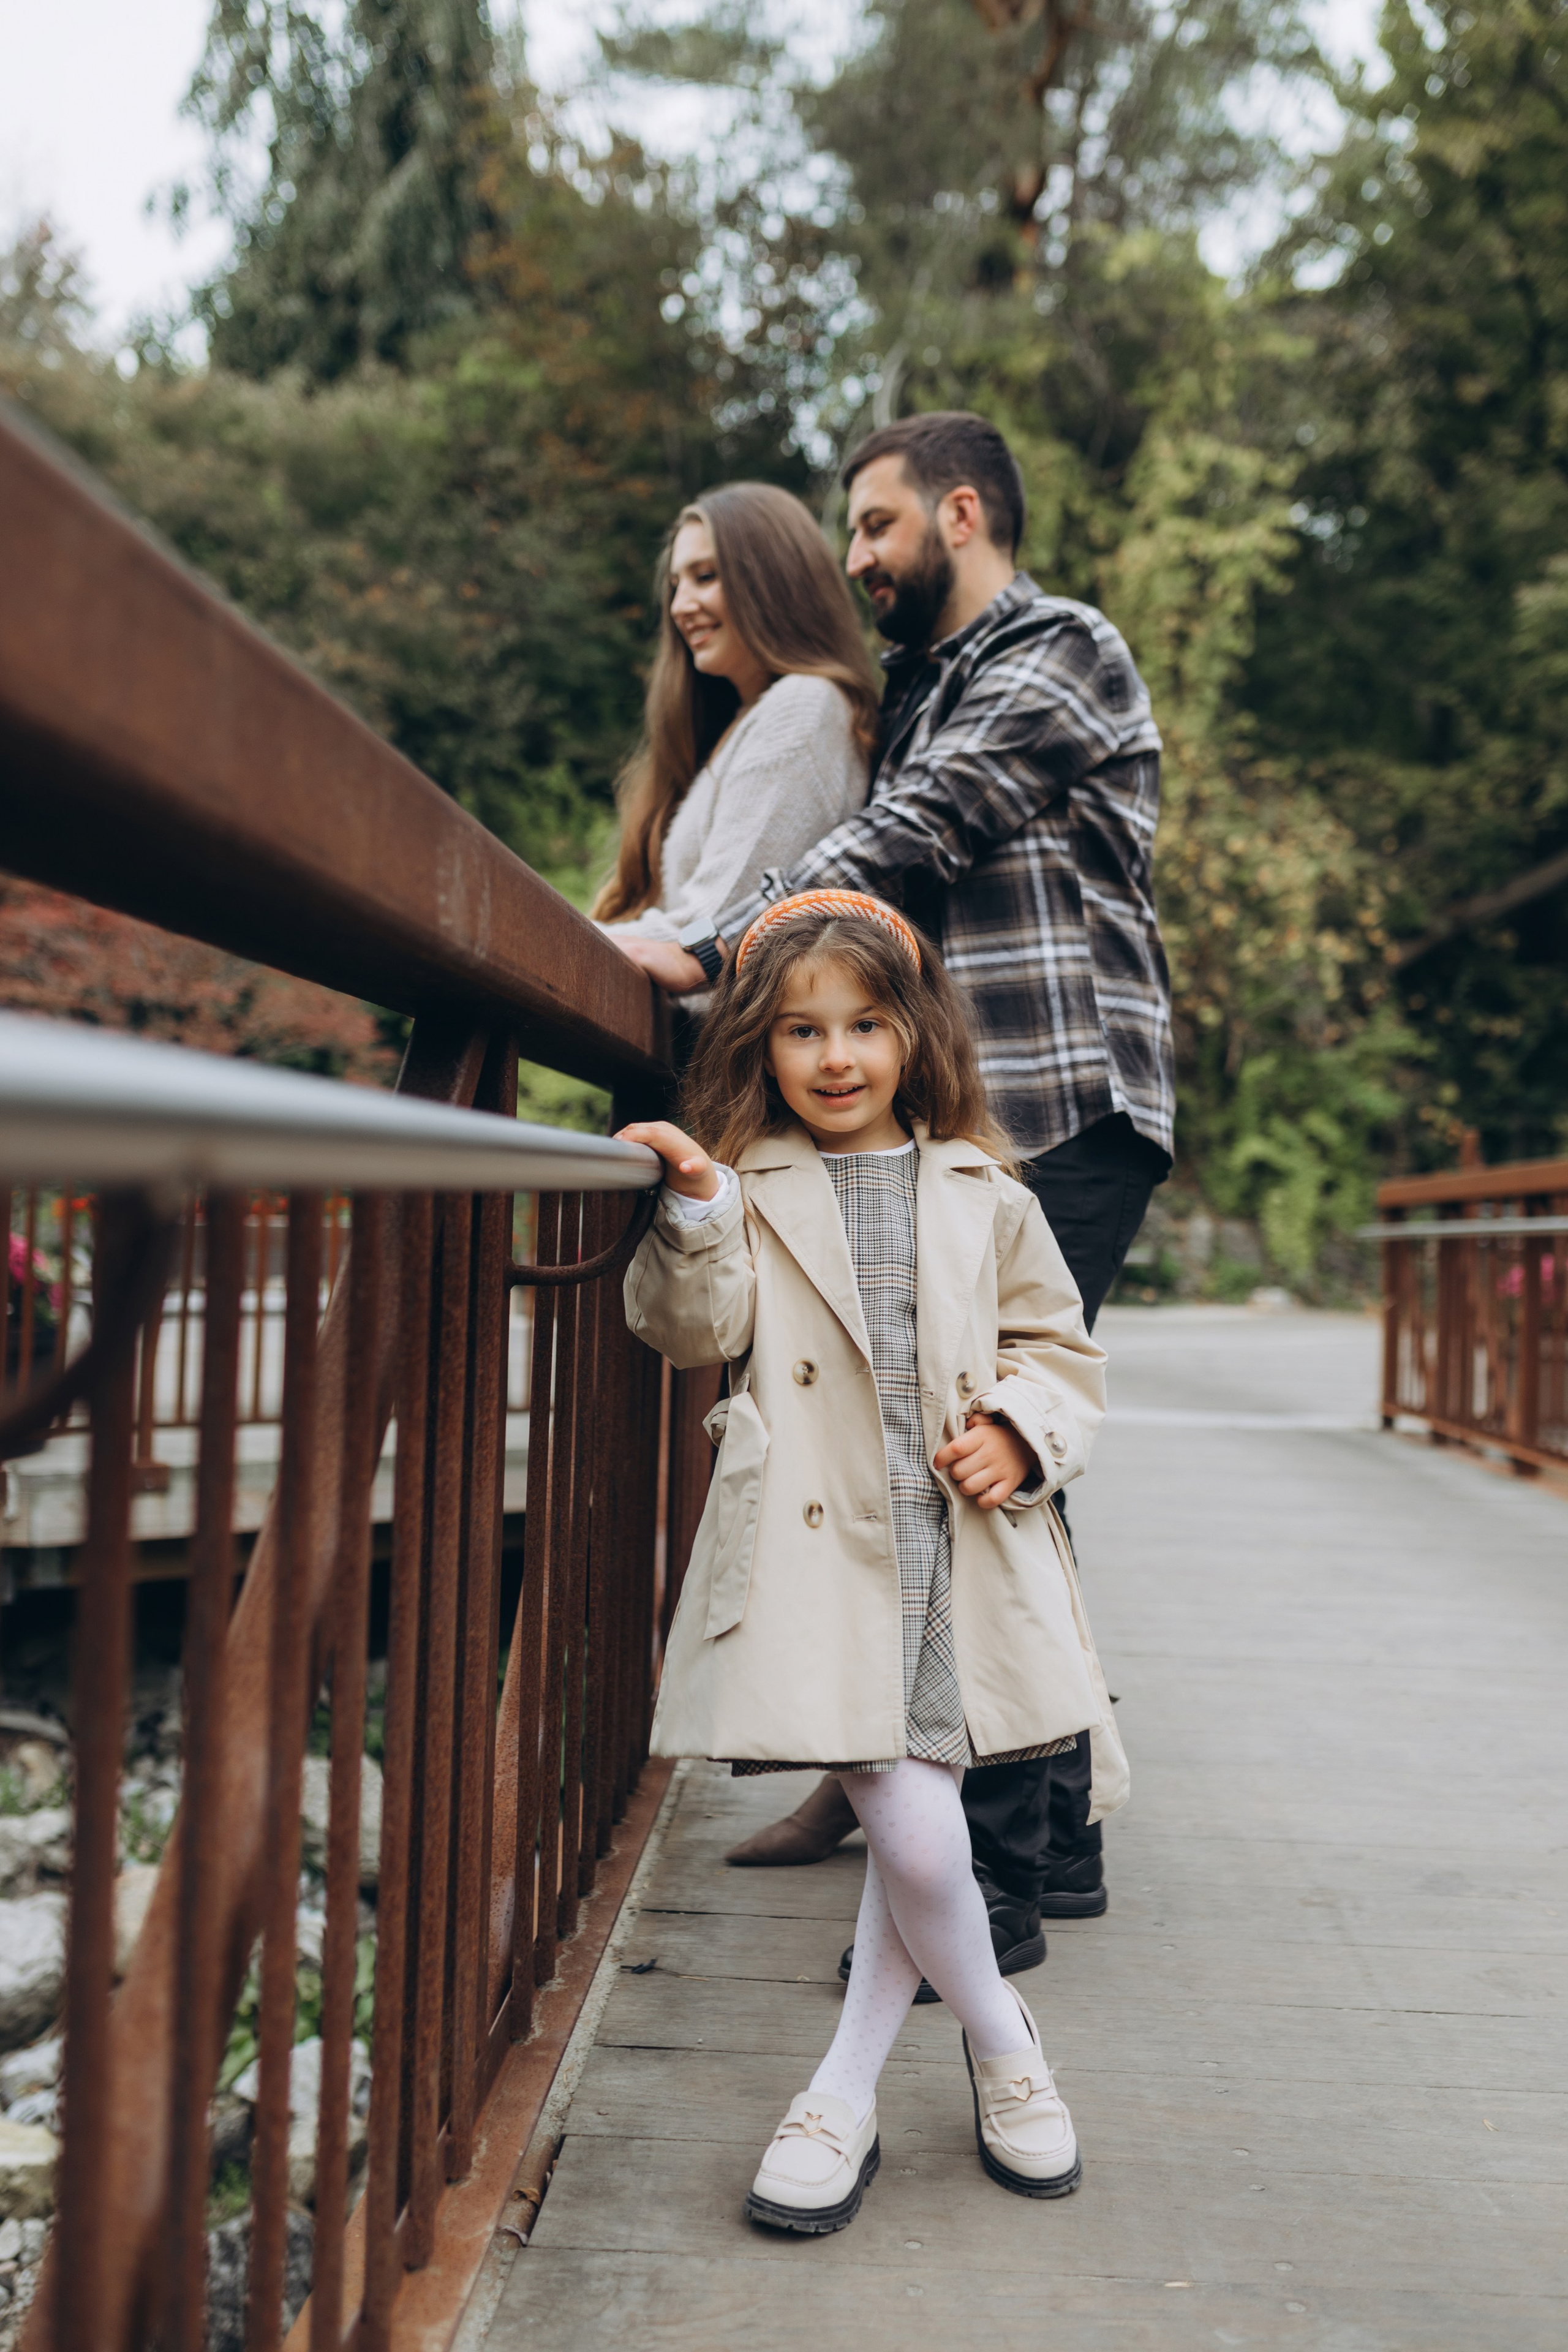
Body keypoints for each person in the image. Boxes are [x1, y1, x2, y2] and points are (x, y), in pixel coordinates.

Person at [620, 413, 1174, 1942]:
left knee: (980, 1443)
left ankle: (992, 1884)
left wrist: (720, 946)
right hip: (961, 1112)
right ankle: (1043, 1834)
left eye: (873, 524)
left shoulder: (1058, 649)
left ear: (960, 512)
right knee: (980, 1454)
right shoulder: (922, 686)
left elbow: (920, 830)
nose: (854, 555)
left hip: (1056, 1104)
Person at [617, 891, 1125, 2231]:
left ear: (914, 1035)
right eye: (801, 1030)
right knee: (909, 1819)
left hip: (955, 1535)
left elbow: (1059, 1351)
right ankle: (1004, 2044)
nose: (835, 1056)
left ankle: (842, 2095)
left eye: (863, 1025)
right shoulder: (747, 1184)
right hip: (817, 1548)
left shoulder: (983, 1188)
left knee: (917, 1823)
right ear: (759, 1045)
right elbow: (688, 1331)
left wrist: (1020, 1430)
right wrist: (694, 1207)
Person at [595, 483, 878, 1002]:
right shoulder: (742, 720)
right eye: (676, 585)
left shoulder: (804, 707)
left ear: (775, 580)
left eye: (705, 577)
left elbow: (705, 928)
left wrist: (543, 933)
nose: (681, 606)